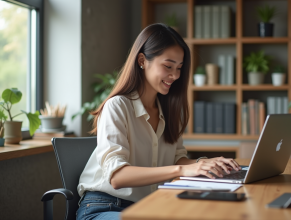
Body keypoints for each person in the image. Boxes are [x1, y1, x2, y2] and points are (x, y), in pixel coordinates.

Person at [76, 23, 241, 220]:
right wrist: (183, 169)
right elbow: (118, 177)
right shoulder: (117, 106)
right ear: (142, 60)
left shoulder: (169, 111)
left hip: (149, 206)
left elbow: (177, 159)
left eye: (179, 68)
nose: (175, 75)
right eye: (168, 66)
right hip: (105, 206)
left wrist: (204, 164)